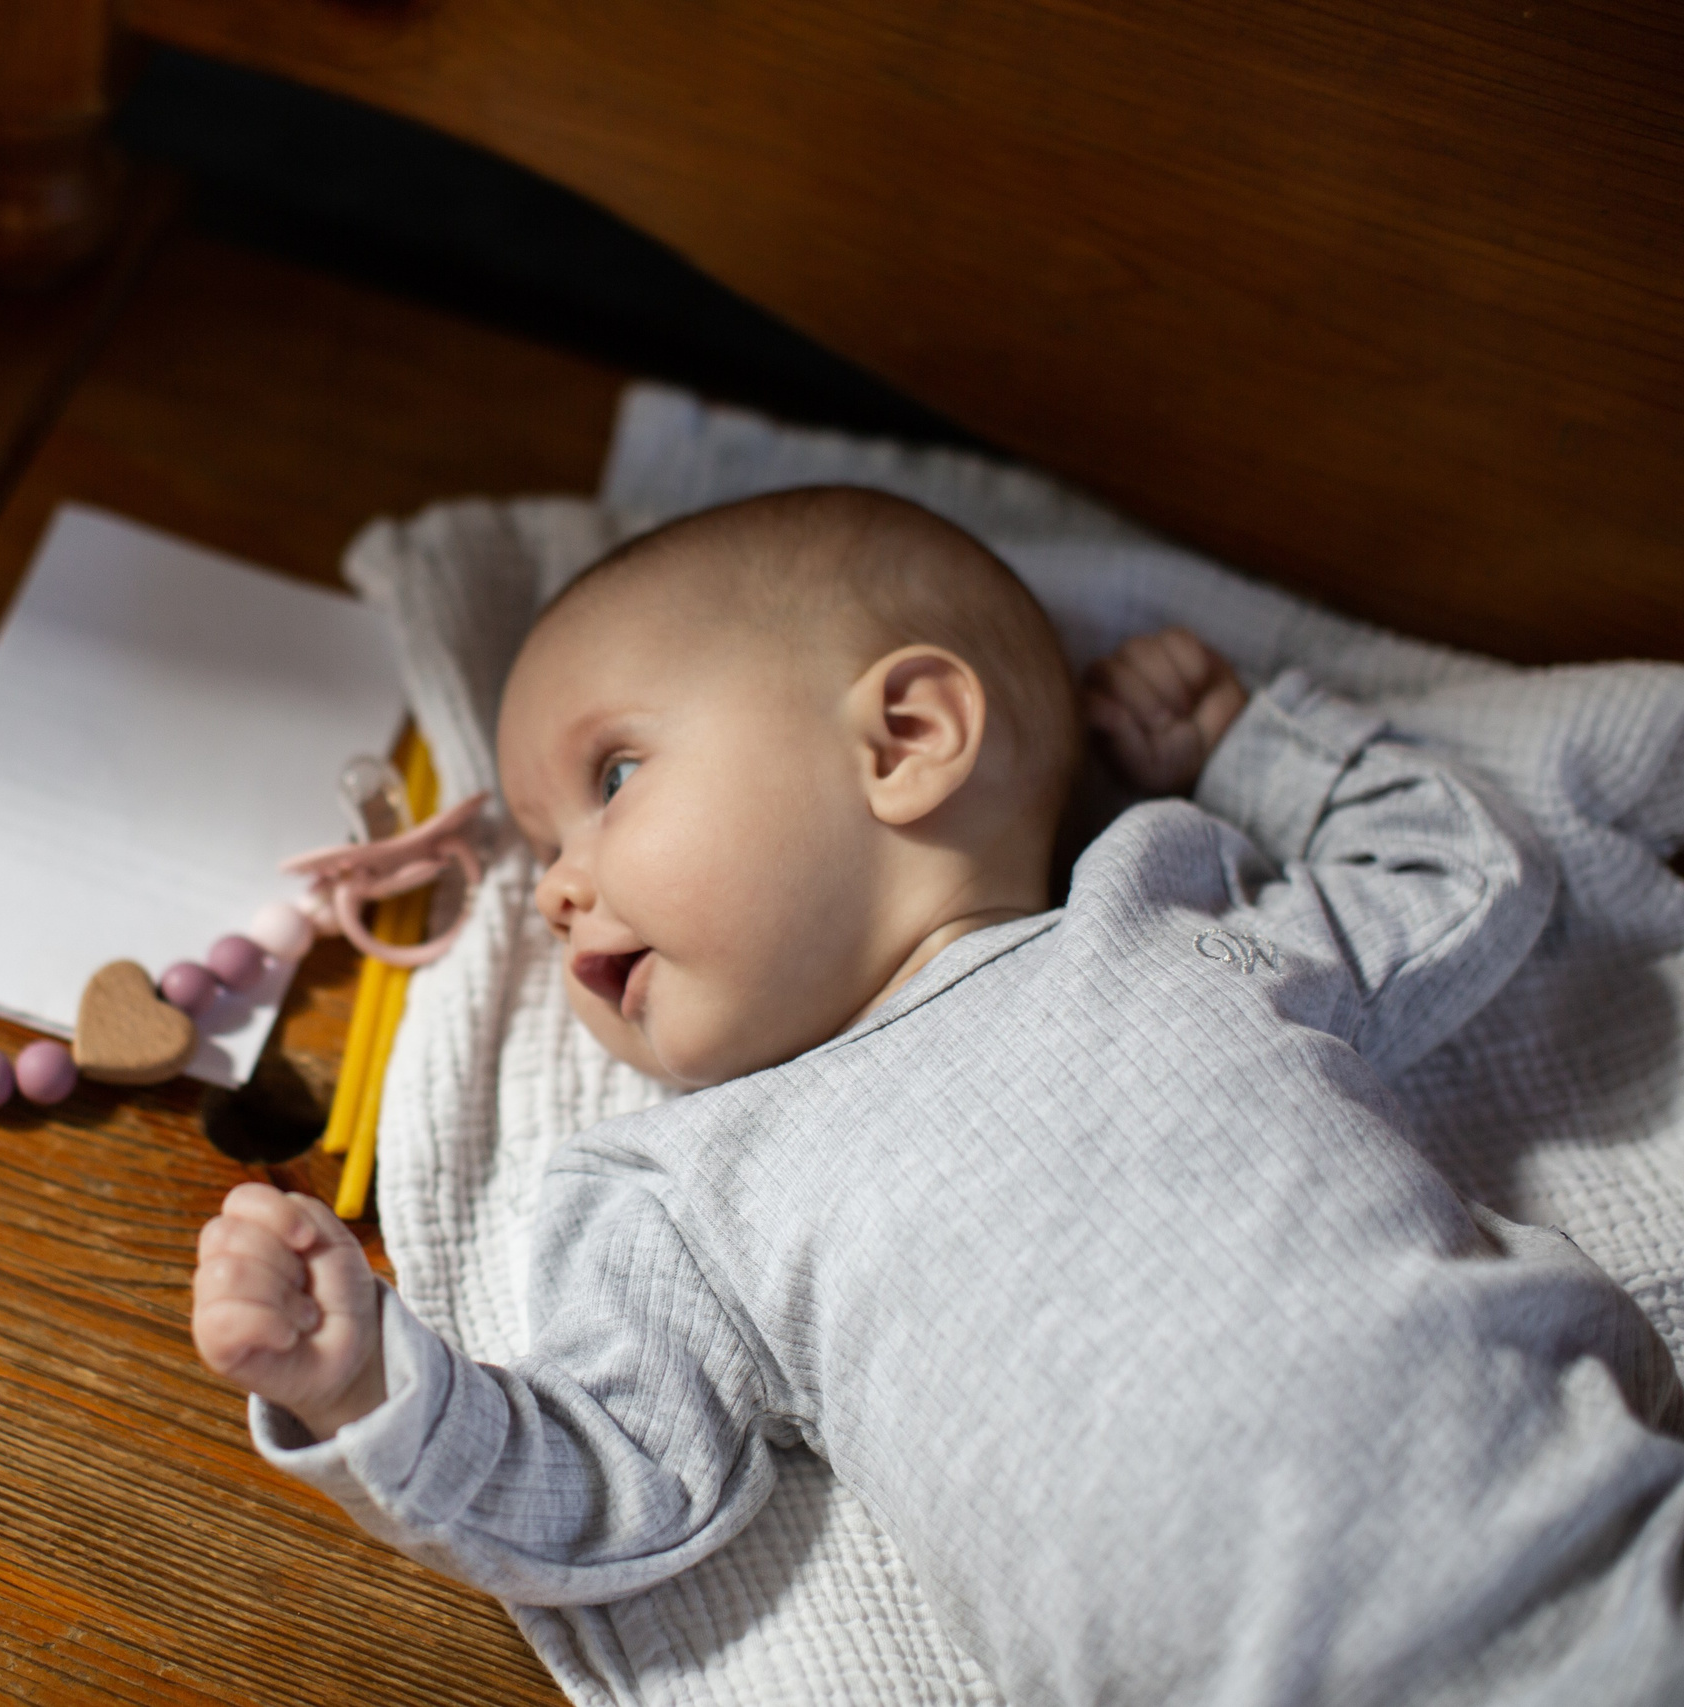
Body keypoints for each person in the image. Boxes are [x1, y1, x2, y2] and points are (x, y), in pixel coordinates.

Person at [191, 487, 1684, 1704]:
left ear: (903, 741)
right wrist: (375, 1384)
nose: (558, 889)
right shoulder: (684, 1182)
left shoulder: (1162, 917)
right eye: (543, 842)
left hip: (1601, 1542)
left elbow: (1451, 881)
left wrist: (1256, 755)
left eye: (616, 774)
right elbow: (608, 1480)